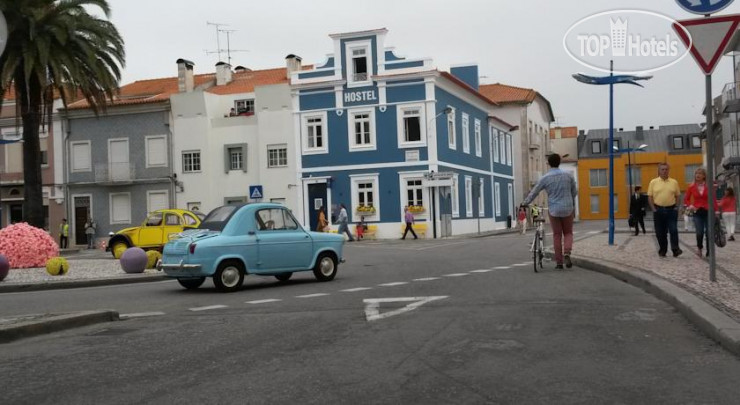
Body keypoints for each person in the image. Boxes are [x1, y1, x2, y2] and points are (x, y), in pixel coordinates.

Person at [521, 153, 577, 269]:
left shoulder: (545, 178)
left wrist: (525, 203)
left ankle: (559, 262)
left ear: (549, 164)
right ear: (559, 162)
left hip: (554, 210)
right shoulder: (568, 176)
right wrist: (570, 201)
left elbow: (534, 192)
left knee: (557, 235)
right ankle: (567, 252)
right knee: (568, 233)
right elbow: (574, 192)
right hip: (568, 208)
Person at [648, 162, 682, 258]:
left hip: (671, 210)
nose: (664, 171)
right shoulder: (653, 182)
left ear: (668, 170)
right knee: (660, 232)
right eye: (662, 169)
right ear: (659, 171)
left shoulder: (674, 182)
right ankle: (663, 250)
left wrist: (676, 207)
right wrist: (653, 209)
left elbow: (678, 196)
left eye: (666, 169)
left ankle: (676, 249)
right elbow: (650, 197)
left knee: (673, 230)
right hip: (658, 210)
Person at [683, 167, 718, 257]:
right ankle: (699, 248)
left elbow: (713, 199)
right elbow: (686, 199)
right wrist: (690, 206)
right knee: (699, 232)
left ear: (704, 176)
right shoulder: (691, 187)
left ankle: (709, 251)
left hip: (708, 211)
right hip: (697, 212)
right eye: (696, 173)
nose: (697, 175)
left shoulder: (709, 186)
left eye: (700, 173)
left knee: (709, 232)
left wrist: (716, 210)